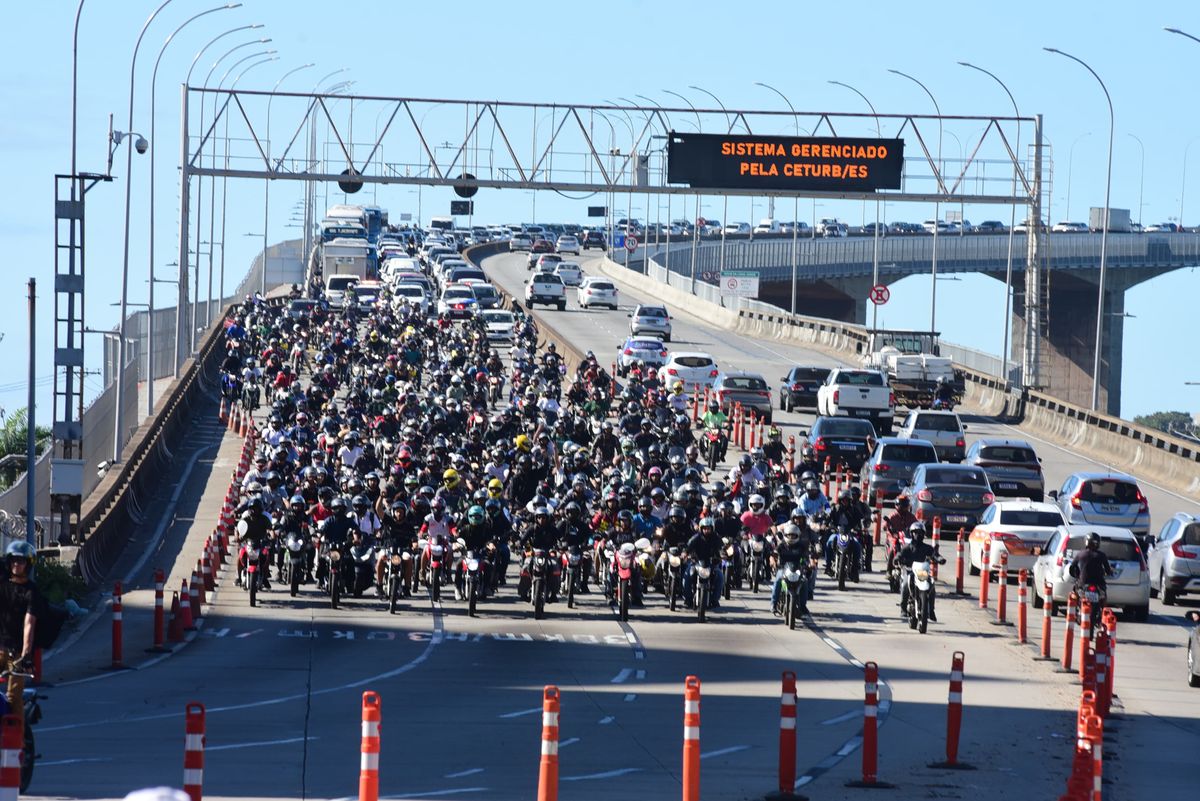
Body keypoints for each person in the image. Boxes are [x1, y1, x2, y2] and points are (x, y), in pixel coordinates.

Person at [0, 541, 39, 726]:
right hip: (0, 647)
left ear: (28, 564)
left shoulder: (31, 591)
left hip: (16, 652)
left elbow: (29, 624)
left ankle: (18, 743)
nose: (17, 565)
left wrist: (26, 655)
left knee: (13, 696)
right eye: (14, 561)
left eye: (21, 561)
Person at [896, 523, 946, 622]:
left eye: (920, 533)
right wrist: (897, 559)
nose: (918, 535)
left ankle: (931, 610)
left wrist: (940, 559)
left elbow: (934, 554)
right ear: (911, 534)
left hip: (921, 572)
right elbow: (899, 554)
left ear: (924, 534)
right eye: (915, 533)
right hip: (910, 571)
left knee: (931, 586)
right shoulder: (907, 547)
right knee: (905, 584)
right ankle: (903, 609)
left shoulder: (927, 547)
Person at [771, 524, 811, 617]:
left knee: (804, 581)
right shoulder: (782, 546)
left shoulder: (801, 546)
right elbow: (774, 555)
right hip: (783, 568)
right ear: (785, 535)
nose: (791, 537)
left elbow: (806, 557)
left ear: (797, 536)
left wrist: (809, 564)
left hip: (797, 569)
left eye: (793, 535)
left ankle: (803, 606)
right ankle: (773, 604)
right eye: (789, 535)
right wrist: (773, 561)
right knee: (778, 580)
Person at [1068, 532, 1115, 600]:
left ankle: (1075, 608)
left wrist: (1077, 575)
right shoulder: (1101, 555)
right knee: (1103, 597)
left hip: (1083, 583)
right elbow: (1108, 570)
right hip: (1099, 584)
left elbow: (1072, 567)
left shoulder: (1080, 554)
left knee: (1074, 594)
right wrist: (1109, 572)